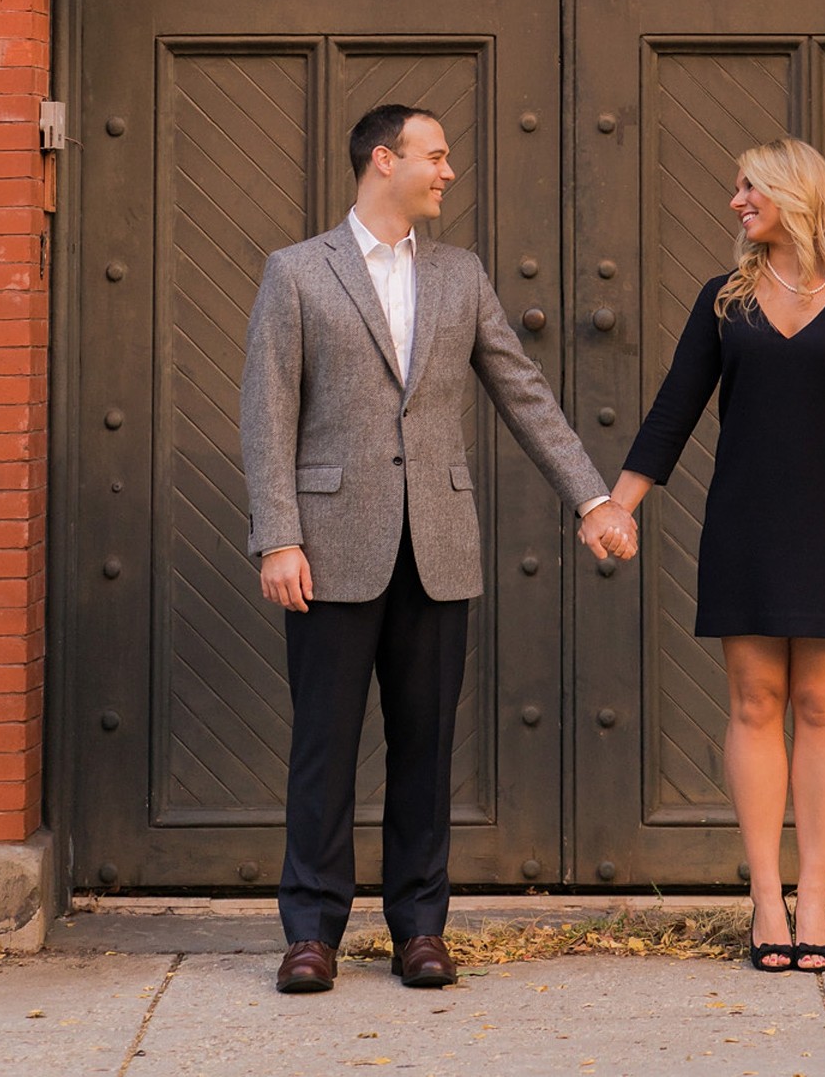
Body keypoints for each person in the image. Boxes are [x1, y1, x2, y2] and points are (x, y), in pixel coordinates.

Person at [240, 102, 637, 997]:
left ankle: (420, 929)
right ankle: (311, 933)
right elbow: (266, 414)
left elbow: (520, 388)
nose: (448, 171)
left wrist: (593, 494)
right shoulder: (298, 272)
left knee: (425, 748)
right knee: (324, 747)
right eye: (437, 155)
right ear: (385, 161)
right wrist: (278, 537)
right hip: (330, 548)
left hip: (439, 546)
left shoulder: (461, 275)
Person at [607, 136, 825, 975]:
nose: (736, 201)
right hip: (744, 523)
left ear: (794, 192)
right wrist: (615, 506)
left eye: (750, 187)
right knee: (754, 699)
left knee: (822, 701)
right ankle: (766, 896)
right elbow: (674, 410)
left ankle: (815, 894)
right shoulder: (723, 300)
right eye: (735, 186)